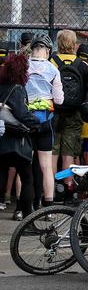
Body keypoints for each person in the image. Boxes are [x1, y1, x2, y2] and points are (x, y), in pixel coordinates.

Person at [50, 30, 88, 197]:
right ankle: (67, 186)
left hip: (54, 111)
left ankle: (51, 185)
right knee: (69, 152)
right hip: (75, 113)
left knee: (53, 151)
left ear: (58, 43)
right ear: (74, 44)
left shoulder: (52, 61)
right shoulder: (83, 66)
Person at [0, 54, 41, 220]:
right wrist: (37, 123)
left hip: (1, 138)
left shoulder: (1, 86)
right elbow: (23, 115)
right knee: (27, 178)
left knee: (1, 174)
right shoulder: (17, 89)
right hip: (16, 140)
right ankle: (27, 218)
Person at [25, 34, 63, 210]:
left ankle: (22, 207)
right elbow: (59, 100)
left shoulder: (23, 66)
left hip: (25, 121)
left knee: (24, 165)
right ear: (48, 51)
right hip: (45, 121)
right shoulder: (53, 70)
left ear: (32, 48)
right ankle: (48, 206)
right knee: (46, 166)